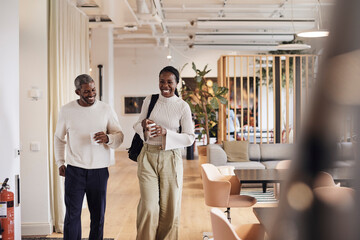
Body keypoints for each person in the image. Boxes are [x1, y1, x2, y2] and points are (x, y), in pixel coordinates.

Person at [54, 74, 124, 240]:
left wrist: (108, 138)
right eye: (87, 91)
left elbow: (119, 136)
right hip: (74, 171)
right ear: (78, 92)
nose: (91, 94)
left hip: (99, 171)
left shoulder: (106, 109)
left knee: (98, 216)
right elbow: (58, 138)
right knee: (72, 215)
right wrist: (60, 162)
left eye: (93, 90)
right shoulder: (67, 110)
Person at [133, 66, 195, 240]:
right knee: (148, 206)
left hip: (171, 158)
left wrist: (167, 133)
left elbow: (189, 138)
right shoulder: (150, 100)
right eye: (162, 81)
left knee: (170, 209)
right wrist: (144, 127)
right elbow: (137, 125)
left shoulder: (183, 106)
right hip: (147, 156)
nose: (165, 85)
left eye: (169, 82)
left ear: (177, 83)